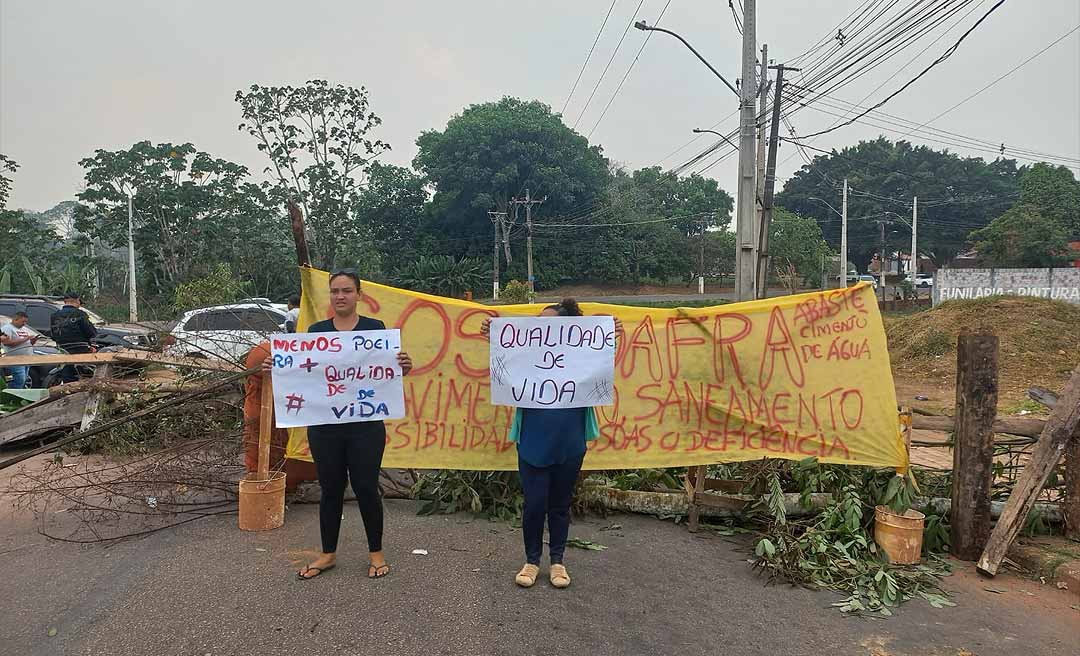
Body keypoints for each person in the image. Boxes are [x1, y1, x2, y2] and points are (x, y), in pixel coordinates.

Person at [264, 269, 413, 581]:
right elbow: (302, 374)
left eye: (347, 290)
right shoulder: (317, 332)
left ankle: (376, 553)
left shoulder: (376, 330)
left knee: (366, 489)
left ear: (359, 295)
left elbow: (386, 375)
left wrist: (404, 367)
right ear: (330, 296)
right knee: (330, 490)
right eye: (335, 291)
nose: (341, 296)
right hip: (325, 428)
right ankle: (328, 553)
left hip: (366, 427)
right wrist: (275, 367)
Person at [481, 298, 621, 589]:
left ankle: (557, 561)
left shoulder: (583, 356)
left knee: (559, 505)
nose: (540, 329)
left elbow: (599, 363)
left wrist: (609, 335)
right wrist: (493, 336)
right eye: (538, 323)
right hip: (532, 439)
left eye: (549, 324)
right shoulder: (528, 357)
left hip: (570, 441)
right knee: (534, 504)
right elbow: (508, 359)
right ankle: (531, 561)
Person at [49, 292, 97, 384]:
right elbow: (91, 332)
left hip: (62, 349)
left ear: (64, 301)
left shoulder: (54, 315)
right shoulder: (80, 314)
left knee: (67, 374)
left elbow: (53, 334)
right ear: (77, 301)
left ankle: (67, 392)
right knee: (85, 374)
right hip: (80, 348)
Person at [1, 312, 39, 389]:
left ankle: (18, 395)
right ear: (15, 319)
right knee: (19, 380)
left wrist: (33, 340)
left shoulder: (23, 329)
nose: (24, 324)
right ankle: (12, 397)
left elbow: (28, 343)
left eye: (26, 322)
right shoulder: (7, 328)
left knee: (24, 379)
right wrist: (26, 338)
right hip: (15, 359)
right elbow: (7, 343)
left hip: (26, 359)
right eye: (23, 321)